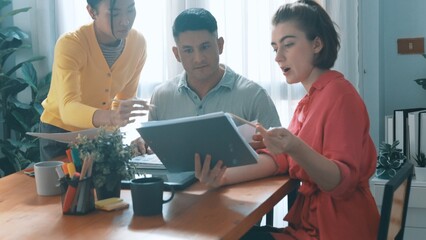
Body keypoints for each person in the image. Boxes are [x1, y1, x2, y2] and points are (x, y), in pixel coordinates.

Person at [194, 1, 380, 239]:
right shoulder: (308, 102)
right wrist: (221, 177)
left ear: (317, 44)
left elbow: (339, 182)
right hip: (307, 228)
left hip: (336, 230)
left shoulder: (340, 96)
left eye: (288, 45)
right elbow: (281, 160)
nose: (278, 57)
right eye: (274, 48)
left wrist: (293, 145)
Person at [39, 0, 150, 161]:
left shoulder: (138, 44)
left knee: (107, 184)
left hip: (100, 132)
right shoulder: (71, 43)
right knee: (63, 186)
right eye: (114, 13)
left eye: (130, 10)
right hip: (59, 133)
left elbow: (124, 100)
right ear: (91, 12)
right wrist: (111, 117)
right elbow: (68, 108)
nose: (125, 20)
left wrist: (119, 119)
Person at [148, 8, 281, 130]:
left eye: (205, 47)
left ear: (220, 45)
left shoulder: (254, 96)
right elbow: (151, 150)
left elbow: (279, 154)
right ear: (177, 54)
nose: (199, 58)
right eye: (188, 50)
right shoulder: (161, 97)